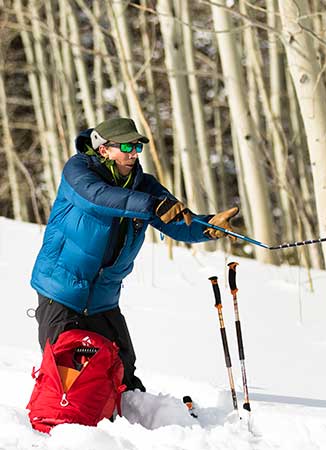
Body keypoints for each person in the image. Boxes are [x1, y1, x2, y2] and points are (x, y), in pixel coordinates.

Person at [30, 117, 238, 392]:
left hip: (103, 297)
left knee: (122, 369)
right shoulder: (78, 171)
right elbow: (98, 198)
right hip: (62, 290)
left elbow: (175, 222)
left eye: (137, 147)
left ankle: (130, 424)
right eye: (126, 146)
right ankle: (60, 427)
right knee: (66, 373)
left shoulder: (145, 186)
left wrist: (208, 227)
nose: (132, 153)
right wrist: (152, 205)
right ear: (104, 149)